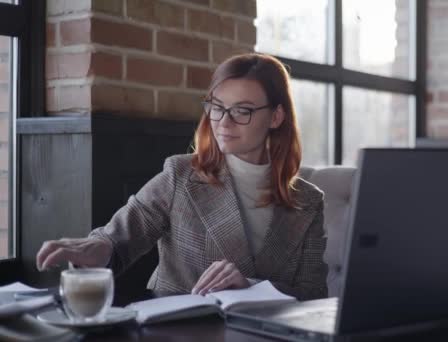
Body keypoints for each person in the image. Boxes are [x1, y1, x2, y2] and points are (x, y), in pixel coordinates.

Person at [36, 53, 328, 301]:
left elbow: (313, 295)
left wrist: (250, 289)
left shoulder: (309, 201)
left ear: (276, 117)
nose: (223, 122)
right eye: (216, 107)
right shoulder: (181, 175)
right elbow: (123, 232)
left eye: (242, 111)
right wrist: (100, 247)